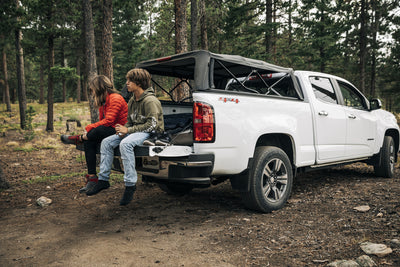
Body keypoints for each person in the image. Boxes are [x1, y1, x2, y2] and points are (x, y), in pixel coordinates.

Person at [86, 68, 164, 206]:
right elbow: (130, 120)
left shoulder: (150, 100)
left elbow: (152, 125)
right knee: (106, 142)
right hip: (136, 130)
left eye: (130, 81)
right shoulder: (133, 100)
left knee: (125, 144)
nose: (126, 83)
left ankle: (130, 184)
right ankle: (103, 180)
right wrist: (123, 129)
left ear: (139, 83)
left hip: (150, 132)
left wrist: (128, 130)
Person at [61, 75, 128, 193]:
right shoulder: (104, 101)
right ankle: (92, 178)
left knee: (96, 131)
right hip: (113, 128)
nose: (92, 93)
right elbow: (106, 122)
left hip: (122, 129)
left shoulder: (115, 98)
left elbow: (109, 121)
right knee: (89, 140)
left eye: (92, 89)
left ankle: (79, 138)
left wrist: (90, 128)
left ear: (99, 88)